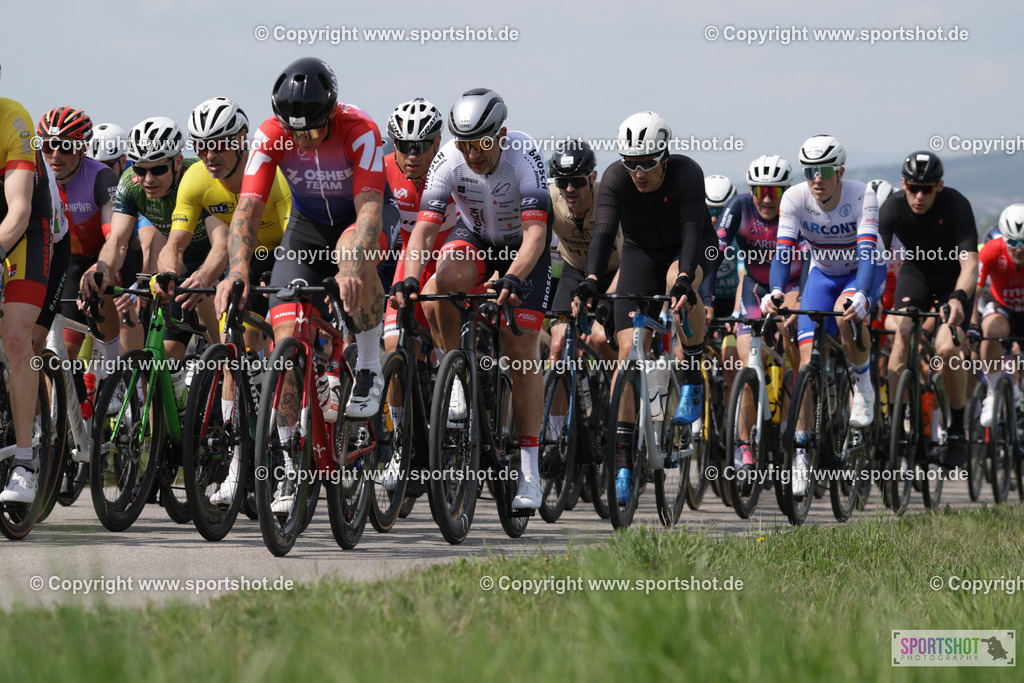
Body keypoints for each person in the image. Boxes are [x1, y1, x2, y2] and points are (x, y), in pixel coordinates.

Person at [214, 58, 388, 512]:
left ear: (330, 113)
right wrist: (238, 271)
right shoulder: (270, 134)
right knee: (286, 342)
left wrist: (351, 268)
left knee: (352, 254)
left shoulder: (360, 130)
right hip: (307, 230)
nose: (304, 138)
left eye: (313, 129)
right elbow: (247, 210)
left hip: (356, 221)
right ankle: (291, 467)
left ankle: (369, 365)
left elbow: (370, 210)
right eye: (295, 131)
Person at [395, 88, 552, 510]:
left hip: (524, 248)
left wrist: (513, 277)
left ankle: (530, 472)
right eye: (464, 144)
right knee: (438, 286)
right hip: (477, 236)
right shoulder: (449, 159)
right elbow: (425, 231)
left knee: (519, 351)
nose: (472, 154)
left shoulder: (523, 155)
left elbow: (536, 234)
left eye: (481, 143)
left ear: (500, 134)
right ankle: (460, 377)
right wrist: (409, 278)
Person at [575, 111, 715, 505]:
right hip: (641, 254)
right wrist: (591, 280)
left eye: (647, 163)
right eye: (630, 163)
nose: (637, 172)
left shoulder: (687, 173)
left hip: (691, 248)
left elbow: (691, 231)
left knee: (676, 283)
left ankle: (691, 373)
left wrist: (685, 278)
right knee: (627, 353)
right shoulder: (615, 179)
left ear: (664, 158)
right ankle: (622, 460)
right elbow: (603, 234)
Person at [762, 135, 881, 495]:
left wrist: (861, 295)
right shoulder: (794, 198)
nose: (816, 178)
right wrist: (777, 291)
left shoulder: (862, 195)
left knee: (846, 315)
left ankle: (863, 385)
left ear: (840, 172)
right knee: (805, 366)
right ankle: (801, 456)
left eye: (825, 171)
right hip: (822, 275)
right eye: (810, 170)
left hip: (860, 272)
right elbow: (783, 252)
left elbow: (866, 254)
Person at [878, 150, 977, 467]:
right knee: (902, 331)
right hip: (917, 273)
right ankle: (897, 423)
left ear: (939, 186)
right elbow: (875, 259)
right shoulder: (892, 207)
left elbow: (970, 265)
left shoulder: (956, 204)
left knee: (947, 349)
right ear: (903, 184)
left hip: (953, 280)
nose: (919, 196)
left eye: (927, 189)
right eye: (913, 187)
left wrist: (958, 298)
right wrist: (870, 296)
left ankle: (957, 430)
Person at [705, 156, 800, 469]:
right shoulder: (739, 207)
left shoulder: (798, 209)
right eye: (761, 191)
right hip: (755, 290)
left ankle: (792, 436)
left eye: (775, 191)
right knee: (746, 366)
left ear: (787, 190)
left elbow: (812, 257)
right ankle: (743, 448)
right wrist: (706, 298)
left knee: (792, 366)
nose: (768, 199)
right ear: (751, 190)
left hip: (792, 287)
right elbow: (715, 254)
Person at [0, 95, 56, 502]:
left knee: (18, 339)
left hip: (27, 230)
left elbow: (18, 211)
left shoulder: (14, 119)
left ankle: (25, 462)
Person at [546, 138, 618, 364]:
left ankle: (619, 384)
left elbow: (631, 255)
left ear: (593, 177)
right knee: (558, 345)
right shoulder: (549, 198)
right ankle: (568, 384)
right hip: (575, 271)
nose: (569, 189)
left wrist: (609, 296)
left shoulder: (610, 198)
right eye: (562, 181)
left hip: (615, 273)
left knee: (600, 339)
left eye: (577, 181)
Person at [975, 204, 1024, 426]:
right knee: (991, 330)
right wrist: (972, 325)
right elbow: (975, 291)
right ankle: (993, 392)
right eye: (1013, 242)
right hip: (1004, 308)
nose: (1019, 249)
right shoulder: (991, 250)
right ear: (1003, 238)